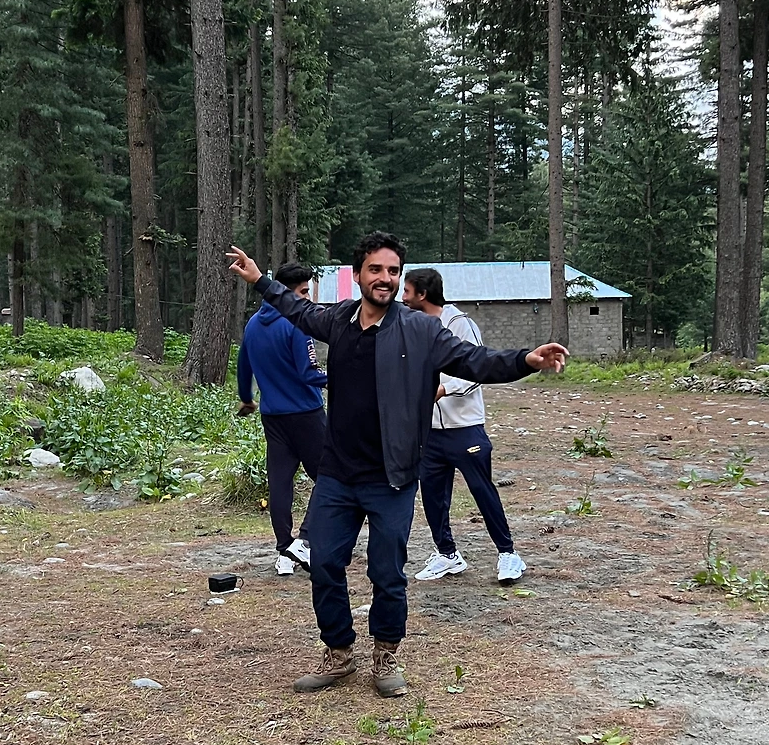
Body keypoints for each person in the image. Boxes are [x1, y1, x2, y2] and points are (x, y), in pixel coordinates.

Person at [227, 233, 567, 697]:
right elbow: (297, 309)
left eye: (393, 271)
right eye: (376, 269)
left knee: (387, 572)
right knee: (324, 563)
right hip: (338, 474)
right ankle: (339, 653)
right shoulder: (340, 319)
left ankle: (385, 653)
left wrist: (525, 360)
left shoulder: (420, 329)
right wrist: (260, 280)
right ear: (358, 275)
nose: (385, 278)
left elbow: (474, 360)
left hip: (392, 476)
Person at [402, 266, 527, 587]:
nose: (402, 297)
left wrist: (443, 389)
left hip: (465, 429)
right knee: (432, 496)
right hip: (430, 432)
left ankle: (508, 554)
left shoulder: (460, 324)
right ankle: (447, 554)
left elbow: (477, 371)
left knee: (482, 491)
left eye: (407, 291)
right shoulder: (413, 326)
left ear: (422, 294)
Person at [237, 261, 328, 575]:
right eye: (304, 292)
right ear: (287, 293)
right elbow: (309, 373)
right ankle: (305, 541)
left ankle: (284, 550)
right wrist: (343, 378)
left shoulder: (252, 325)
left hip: (272, 417)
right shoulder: (296, 323)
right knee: (331, 475)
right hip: (306, 415)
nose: (308, 298)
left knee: (280, 482)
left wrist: (247, 398)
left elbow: (243, 366)